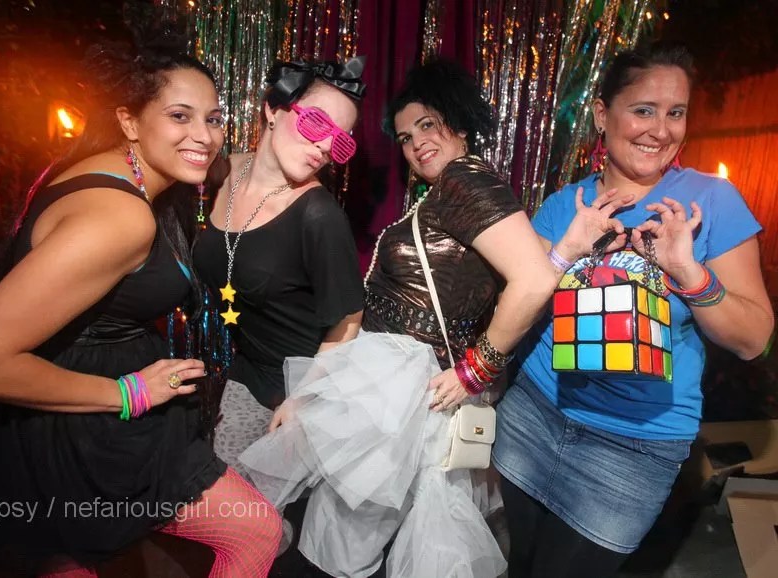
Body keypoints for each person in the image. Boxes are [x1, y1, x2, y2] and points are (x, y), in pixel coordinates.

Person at [0, 29, 281, 577]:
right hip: (80, 433)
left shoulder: (116, 172)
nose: (204, 136)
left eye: (213, 119)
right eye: (180, 116)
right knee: (254, 531)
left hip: (68, 428)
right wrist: (126, 394)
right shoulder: (121, 216)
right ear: (129, 121)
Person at [239, 59, 555, 578]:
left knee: (338, 547)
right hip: (394, 391)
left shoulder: (465, 180)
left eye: (428, 125)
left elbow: (534, 281)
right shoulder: (452, 191)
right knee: (350, 543)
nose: (416, 144)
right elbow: (529, 263)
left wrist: (475, 369)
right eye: (406, 137)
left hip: (402, 392)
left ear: (459, 121)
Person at [492, 44, 775, 578]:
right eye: (644, 110)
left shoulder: (708, 203)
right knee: (518, 566)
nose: (661, 131)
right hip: (533, 415)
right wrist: (565, 251)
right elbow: (519, 303)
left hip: (633, 447)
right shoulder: (565, 204)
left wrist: (689, 272)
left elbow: (753, 338)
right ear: (603, 115)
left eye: (676, 113)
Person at [193, 57, 365, 471]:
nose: (325, 147)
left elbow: (348, 322)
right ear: (273, 109)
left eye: (341, 141)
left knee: (234, 500)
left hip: (295, 389)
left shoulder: (318, 215)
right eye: (317, 124)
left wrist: (302, 401)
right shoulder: (222, 172)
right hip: (237, 371)